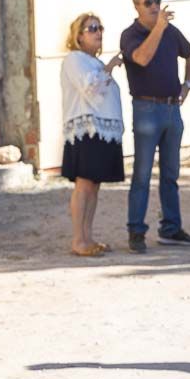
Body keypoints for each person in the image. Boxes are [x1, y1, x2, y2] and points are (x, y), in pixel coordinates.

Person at [121, 0, 190, 250]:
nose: (155, 6)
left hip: (171, 108)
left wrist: (187, 85)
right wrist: (158, 28)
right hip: (146, 110)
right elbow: (141, 58)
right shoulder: (130, 34)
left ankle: (171, 228)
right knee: (142, 174)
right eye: (148, 3)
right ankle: (136, 232)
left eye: (157, 0)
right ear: (137, 6)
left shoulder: (170, 32)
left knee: (171, 173)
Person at [60, 13, 125, 257]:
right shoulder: (75, 59)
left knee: (94, 186)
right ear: (78, 35)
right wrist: (110, 67)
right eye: (92, 28)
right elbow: (90, 88)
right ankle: (78, 238)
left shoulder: (93, 62)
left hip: (103, 131)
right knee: (84, 184)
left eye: (100, 28)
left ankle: (88, 236)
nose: (98, 33)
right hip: (86, 131)